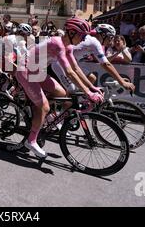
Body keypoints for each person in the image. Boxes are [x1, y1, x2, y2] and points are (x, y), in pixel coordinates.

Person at [15, 18, 104, 158]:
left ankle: (44, 115)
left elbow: (76, 68)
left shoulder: (68, 46)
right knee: (43, 106)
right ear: (72, 32)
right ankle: (31, 140)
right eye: (82, 35)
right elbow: (69, 72)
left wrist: (91, 87)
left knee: (61, 93)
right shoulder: (57, 44)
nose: (84, 39)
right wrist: (87, 93)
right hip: (25, 70)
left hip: (37, 71)